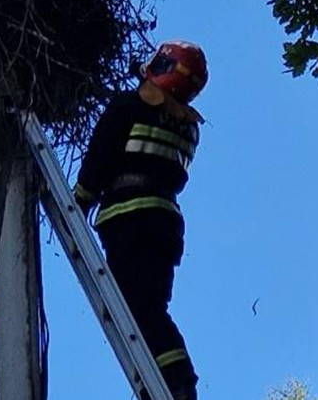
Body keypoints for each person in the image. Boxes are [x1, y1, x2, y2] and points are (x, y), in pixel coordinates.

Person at [73, 40, 207, 400]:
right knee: (151, 308)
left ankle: (178, 383)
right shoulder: (188, 128)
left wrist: (80, 201)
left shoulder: (128, 107)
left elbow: (99, 158)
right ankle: (164, 381)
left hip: (129, 221)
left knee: (138, 309)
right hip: (166, 226)